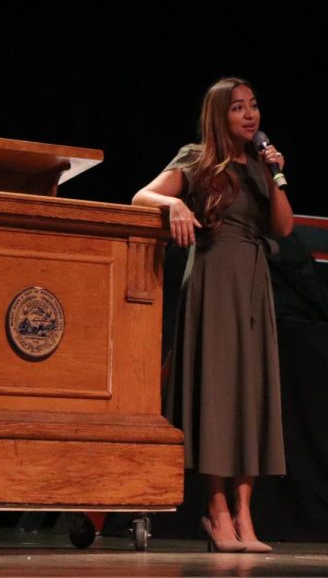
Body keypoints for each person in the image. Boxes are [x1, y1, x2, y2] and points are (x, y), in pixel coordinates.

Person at [133, 77, 293, 553]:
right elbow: (142, 197)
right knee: (218, 397)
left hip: (254, 284)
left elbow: (283, 227)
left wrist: (277, 174)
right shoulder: (196, 158)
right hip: (213, 279)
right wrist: (176, 204)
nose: (250, 115)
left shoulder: (261, 167)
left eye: (254, 106)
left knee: (250, 395)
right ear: (218, 116)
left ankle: (246, 516)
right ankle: (217, 511)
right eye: (238, 108)